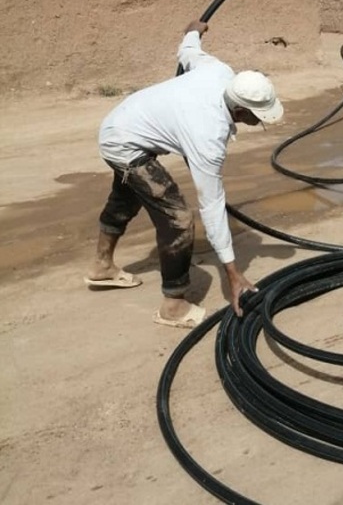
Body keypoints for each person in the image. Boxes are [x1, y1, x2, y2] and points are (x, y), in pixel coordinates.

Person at [84, 20, 284, 329]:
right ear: (241, 111)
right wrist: (232, 272)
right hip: (124, 144)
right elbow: (213, 205)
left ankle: (102, 266)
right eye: (258, 116)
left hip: (122, 121)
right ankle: (173, 306)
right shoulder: (208, 136)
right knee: (178, 220)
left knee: (127, 196)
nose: (260, 121)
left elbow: (189, 50)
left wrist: (194, 30)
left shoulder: (219, 72)